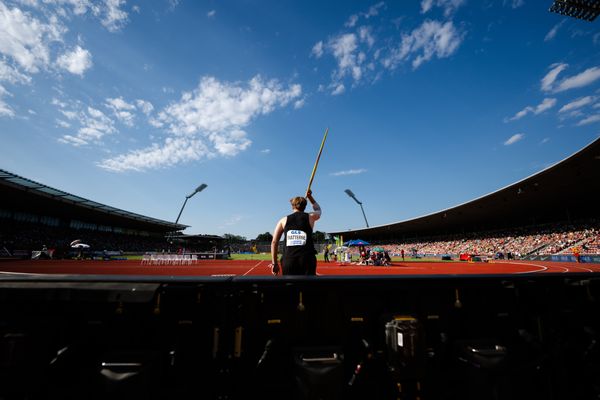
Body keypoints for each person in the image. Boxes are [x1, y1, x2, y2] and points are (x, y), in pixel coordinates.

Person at [270, 190, 321, 275]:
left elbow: (274, 242)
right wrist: (310, 197)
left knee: (290, 286)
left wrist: (274, 263)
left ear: (292, 206)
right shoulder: (311, 217)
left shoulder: (283, 220)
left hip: (289, 260)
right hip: (307, 260)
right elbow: (318, 209)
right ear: (305, 206)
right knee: (308, 287)